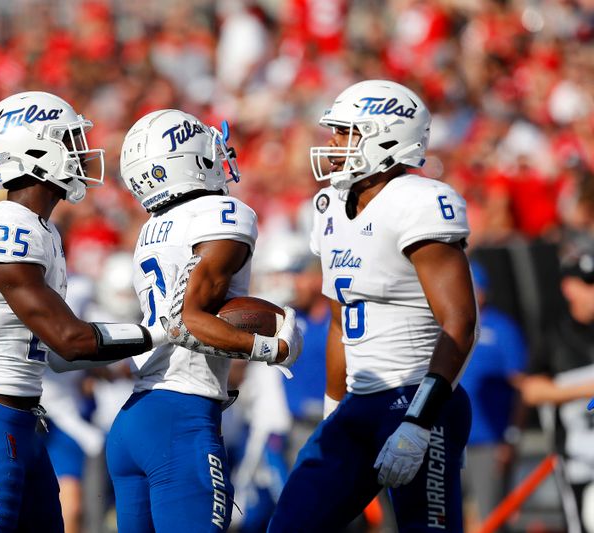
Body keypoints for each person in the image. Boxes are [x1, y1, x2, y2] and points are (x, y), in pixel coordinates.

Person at [0, 91, 169, 532]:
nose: (79, 151)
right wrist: (166, 331)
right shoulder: (7, 227)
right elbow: (69, 340)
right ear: (35, 150)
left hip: (19, 421)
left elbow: (56, 354)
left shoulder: (42, 230)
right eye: (69, 139)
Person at [268, 80, 478, 532]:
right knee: (290, 524)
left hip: (417, 399)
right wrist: (332, 408)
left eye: (346, 133)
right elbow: (342, 322)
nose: (333, 144)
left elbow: (460, 322)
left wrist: (419, 422)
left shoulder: (419, 202)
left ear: (387, 137)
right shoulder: (329, 206)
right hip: (359, 404)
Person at [105, 109, 303, 532]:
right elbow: (184, 321)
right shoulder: (221, 213)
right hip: (181, 417)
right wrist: (271, 348)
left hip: (137, 416)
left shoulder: (153, 227)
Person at [518, 245, 594, 533]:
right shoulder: (556, 337)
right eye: (588, 284)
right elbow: (532, 390)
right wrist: (585, 389)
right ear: (569, 287)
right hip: (577, 459)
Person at [459, 261, 527, 530]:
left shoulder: (502, 328)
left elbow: (522, 387)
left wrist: (511, 436)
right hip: (450, 439)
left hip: (489, 441)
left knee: (491, 519)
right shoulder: (442, 324)